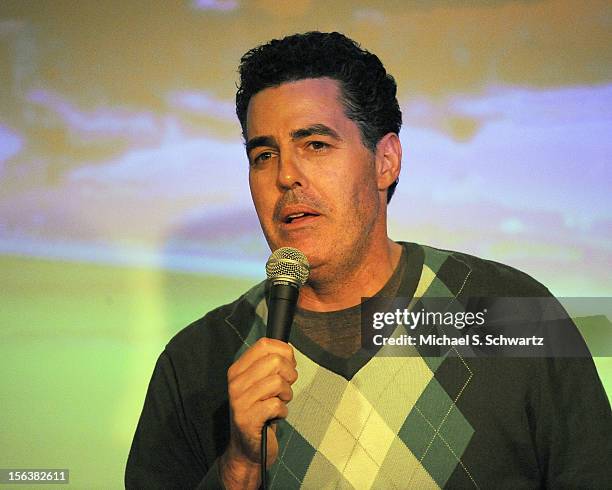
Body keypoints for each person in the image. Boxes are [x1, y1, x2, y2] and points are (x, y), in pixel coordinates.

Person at [125, 32, 611, 489]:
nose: (286, 176)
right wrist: (240, 466)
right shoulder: (197, 362)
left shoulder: (515, 311)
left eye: (315, 144)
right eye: (263, 155)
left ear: (386, 161)